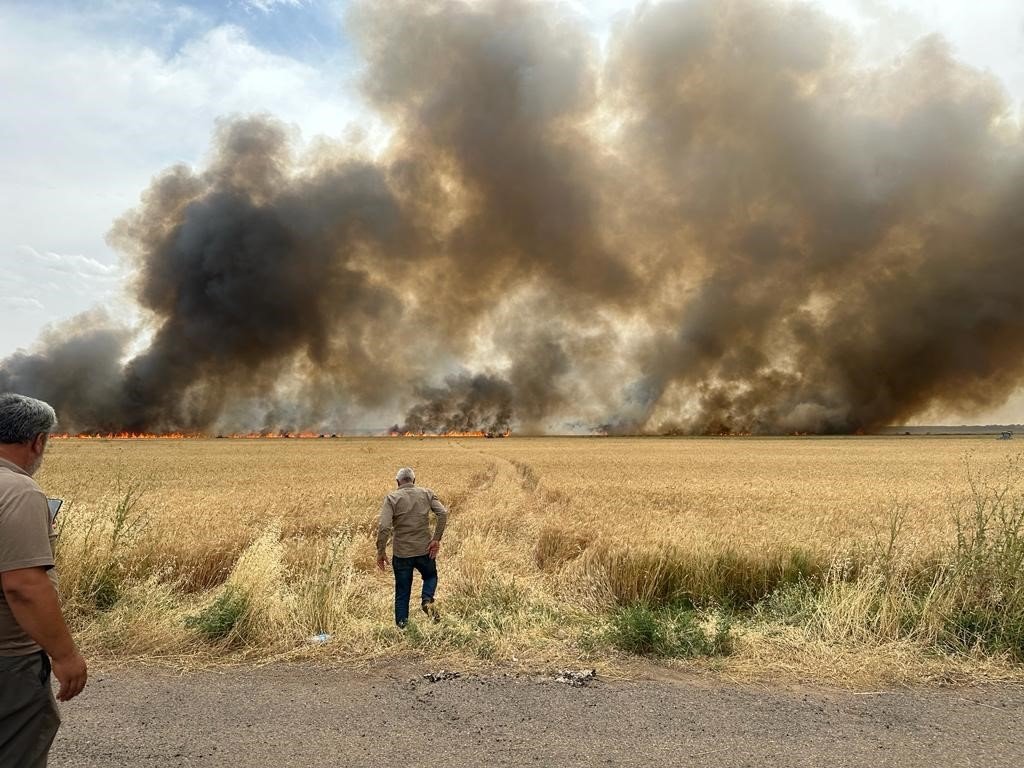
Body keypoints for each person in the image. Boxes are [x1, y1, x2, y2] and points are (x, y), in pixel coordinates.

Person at [0, 393, 87, 767]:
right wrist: (65, 655)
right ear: (37, 441)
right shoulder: (18, 490)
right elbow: (23, 586)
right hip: (8, 662)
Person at [376, 467, 449, 628]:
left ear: (397, 482)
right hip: (424, 550)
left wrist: (381, 551)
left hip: (402, 554)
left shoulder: (392, 498)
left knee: (402, 591)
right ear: (413, 480)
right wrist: (436, 539)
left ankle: (403, 627)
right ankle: (427, 599)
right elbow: (443, 513)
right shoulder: (427, 493)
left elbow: (384, 527)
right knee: (430, 576)